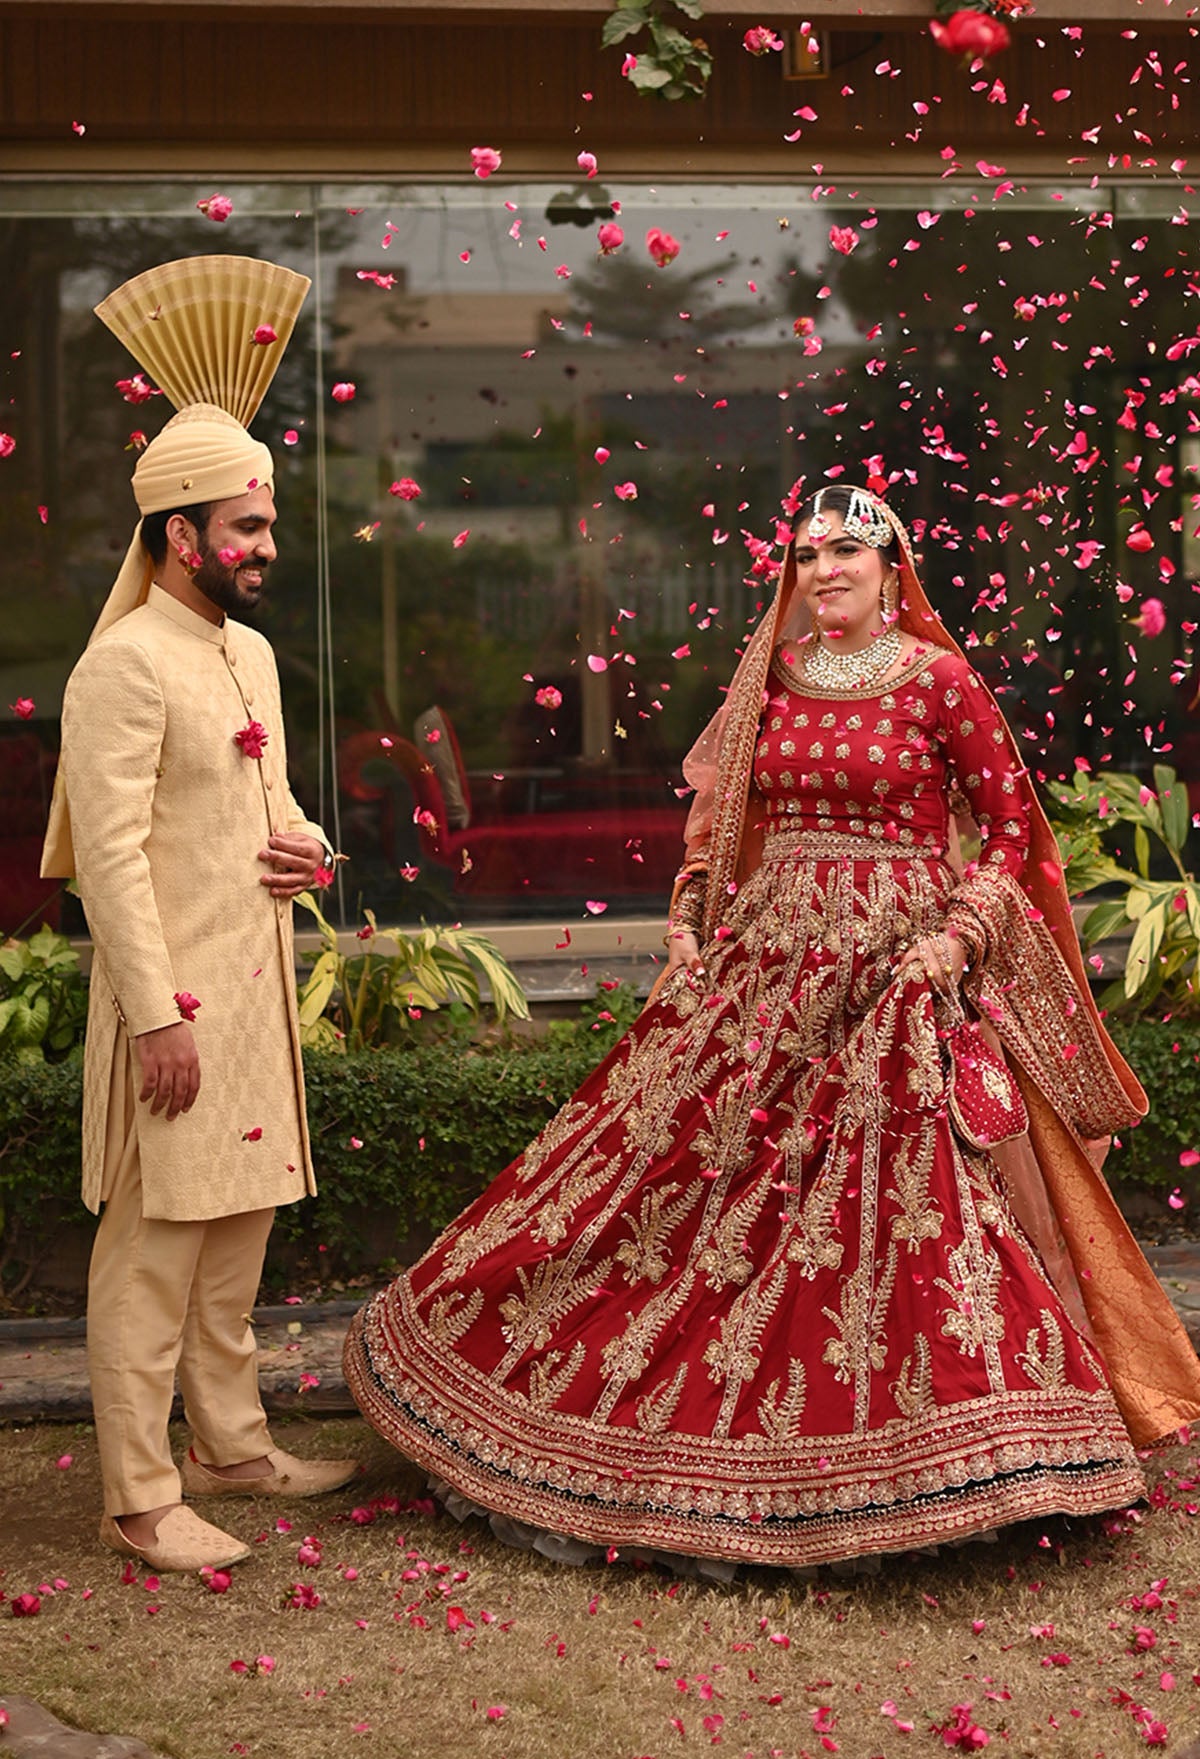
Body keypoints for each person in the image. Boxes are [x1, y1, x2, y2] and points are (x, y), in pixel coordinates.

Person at [345, 484, 1200, 1575]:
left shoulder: (942, 681)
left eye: (848, 548)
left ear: (894, 567)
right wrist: (694, 918)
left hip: (896, 980)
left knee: (904, 1215)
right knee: (670, 1196)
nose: (825, 567)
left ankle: (960, 1459)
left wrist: (955, 941)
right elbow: (724, 825)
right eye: (806, 553)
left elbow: (1006, 837)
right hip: (762, 976)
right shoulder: (773, 683)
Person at [42, 255, 356, 1574]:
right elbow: (109, 863)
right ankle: (139, 1493)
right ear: (181, 536)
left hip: (254, 1001)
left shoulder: (253, 653)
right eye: (247, 530)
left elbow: (269, 806)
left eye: (268, 526)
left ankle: (233, 1445)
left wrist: (306, 853)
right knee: (153, 1261)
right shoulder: (120, 665)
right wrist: (154, 1013)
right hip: (176, 1008)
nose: (266, 549)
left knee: (237, 1247)